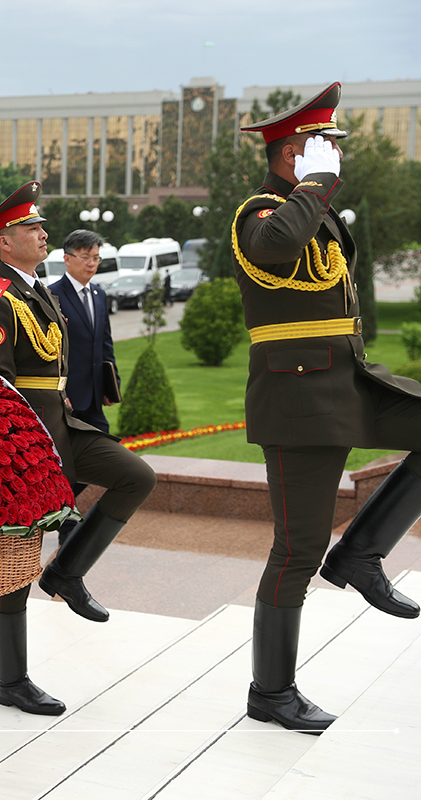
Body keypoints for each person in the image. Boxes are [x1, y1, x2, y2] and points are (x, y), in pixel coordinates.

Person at [232, 82, 421, 734]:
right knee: (296, 549)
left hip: (347, 383)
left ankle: (362, 553)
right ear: (295, 154)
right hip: (297, 400)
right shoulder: (257, 212)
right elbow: (275, 248)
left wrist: (315, 191)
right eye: (326, 145)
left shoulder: (312, 209)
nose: (337, 155)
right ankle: (271, 692)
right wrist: (314, 184)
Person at [0, 186, 156, 721]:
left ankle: (68, 572)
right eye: (32, 229)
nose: (44, 234)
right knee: (17, 561)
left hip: (63, 424)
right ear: (5, 242)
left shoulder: (36, 291)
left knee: (135, 477)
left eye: (41, 227)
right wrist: (14, 457)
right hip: (30, 440)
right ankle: (13, 679)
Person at [48, 229, 118, 433]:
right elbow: (50, 351)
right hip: (68, 398)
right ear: (67, 259)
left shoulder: (99, 295)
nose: (91, 263)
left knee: (105, 449)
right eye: (85, 257)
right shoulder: (52, 295)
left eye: (96, 258)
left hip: (96, 397)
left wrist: (110, 385)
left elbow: (105, 343)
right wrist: (60, 392)